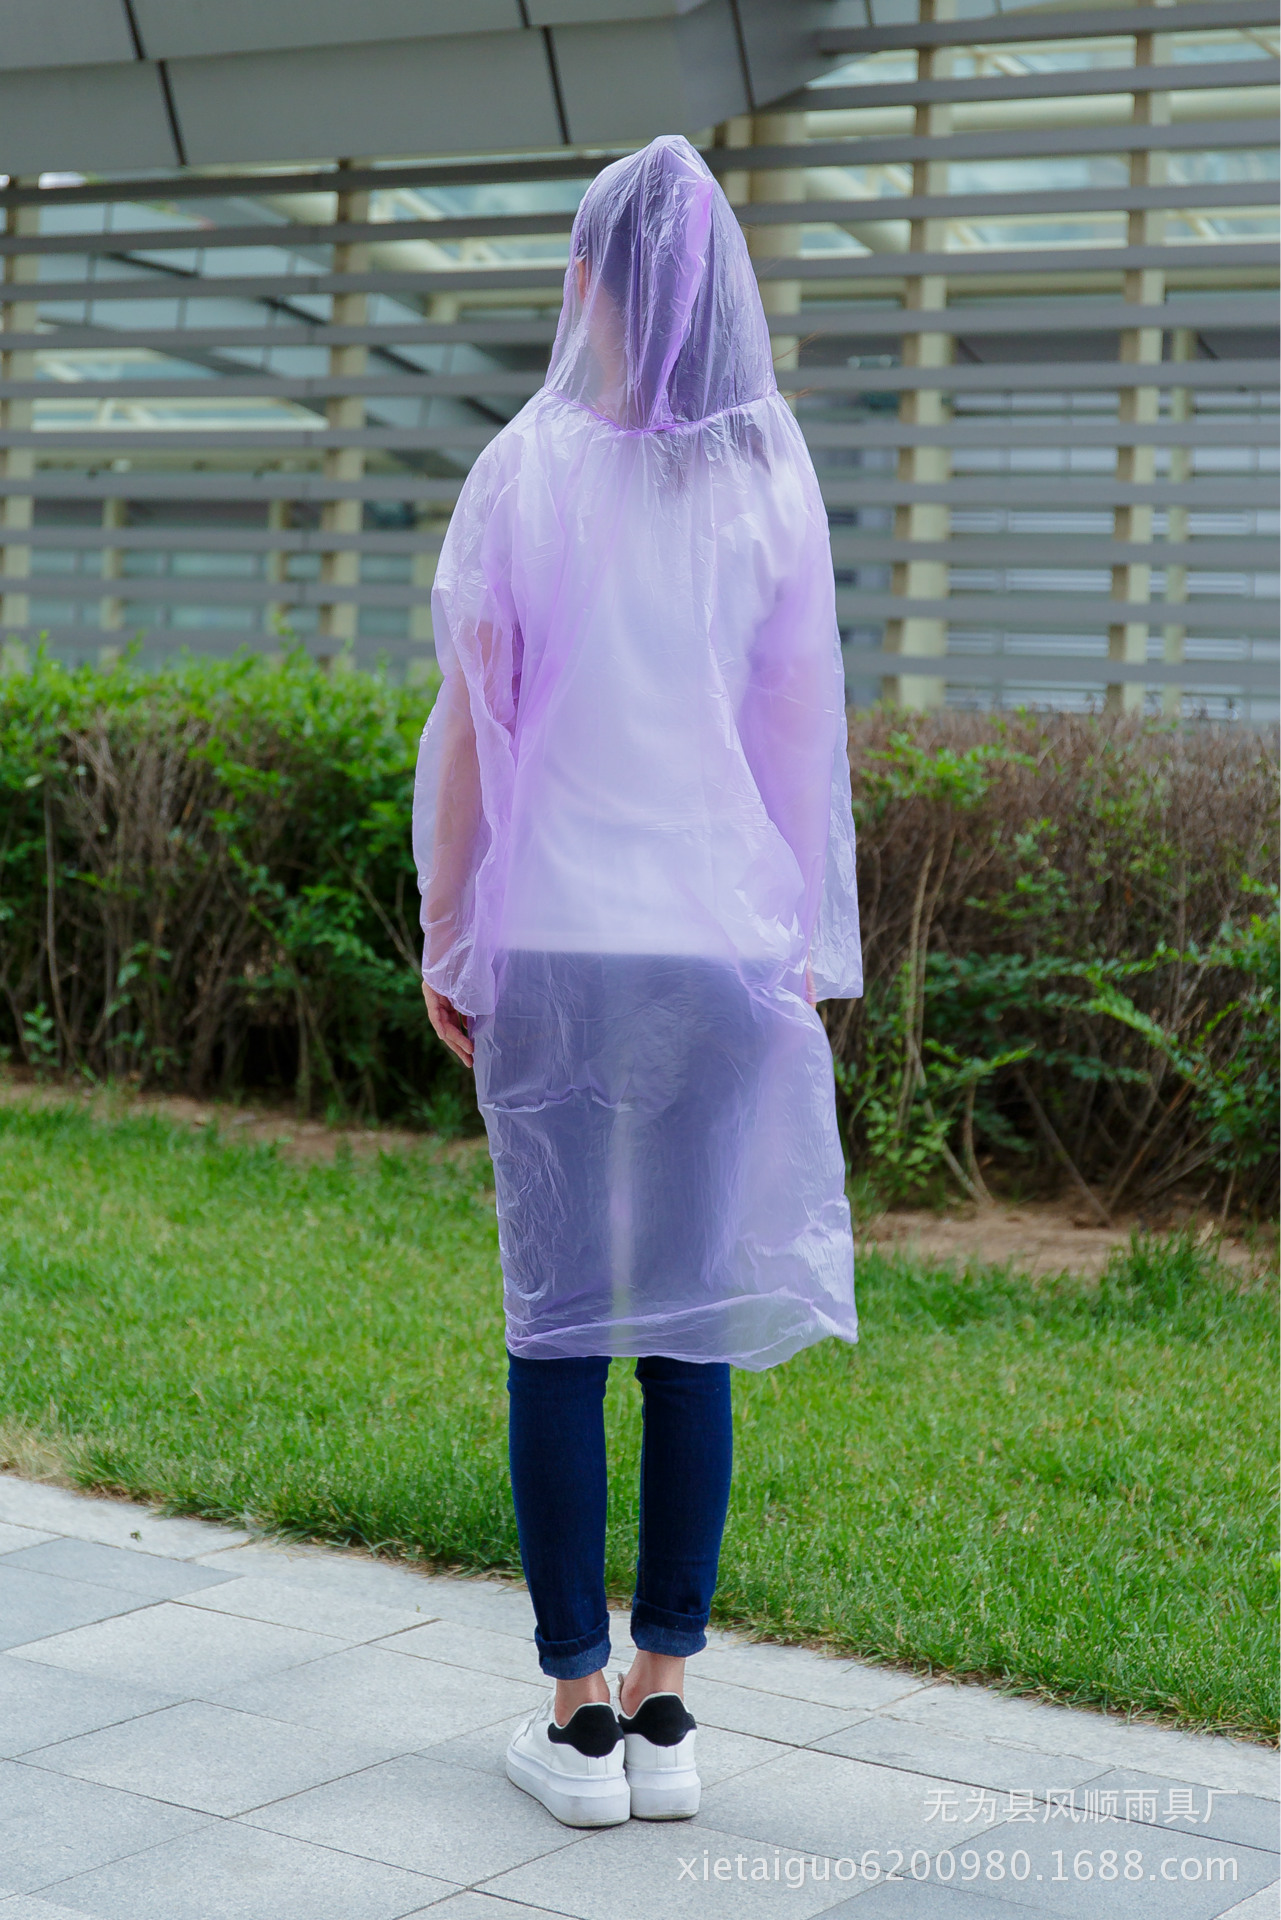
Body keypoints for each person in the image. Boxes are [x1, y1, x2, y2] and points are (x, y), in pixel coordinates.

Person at [413, 133, 861, 1830]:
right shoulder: (765, 478)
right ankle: (666, 1708)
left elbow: (475, 727)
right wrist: (799, 949)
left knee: (554, 1325)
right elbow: (799, 733)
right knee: (686, 1325)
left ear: (591, 279)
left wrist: (449, 935)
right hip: (716, 949)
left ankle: (574, 1714)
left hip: (555, 944)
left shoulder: (523, 468)